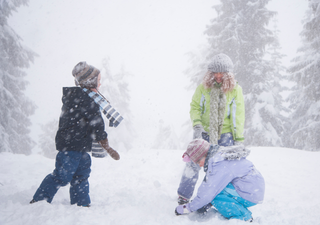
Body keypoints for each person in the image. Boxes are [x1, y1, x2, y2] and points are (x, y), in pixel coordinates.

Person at [30, 62, 120, 207]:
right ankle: (39, 200)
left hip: (81, 145)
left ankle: (81, 204)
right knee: (62, 176)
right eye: (98, 80)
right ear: (90, 82)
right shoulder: (86, 99)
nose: (100, 83)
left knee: (81, 175)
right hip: (71, 146)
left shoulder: (80, 97)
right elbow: (97, 124)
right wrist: (105, 144)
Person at [177, 53, 245, 205]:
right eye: (215, 72)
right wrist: (197, 125)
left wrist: (238, 139)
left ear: (228, 74)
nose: (219, 76)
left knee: (222, 169)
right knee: (193, 163)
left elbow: (237, 115)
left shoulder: (235, 90)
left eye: (222, 73)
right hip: (205, 134)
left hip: (226, 135)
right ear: (210, 73)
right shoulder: (203, 88)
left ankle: (217, 198)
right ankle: (184, 195)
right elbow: (195, 107)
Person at [175, 139, 265, 222]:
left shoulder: (218, 163)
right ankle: (238, 211)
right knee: (215, 191)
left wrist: (189, 208)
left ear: (203, 155)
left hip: (250, 193)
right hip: (251, 188)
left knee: (215, 195)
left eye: (198, 162)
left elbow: (208, 192)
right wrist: (204, 203)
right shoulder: (218, 156)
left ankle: (243, 218)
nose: (199, 165)